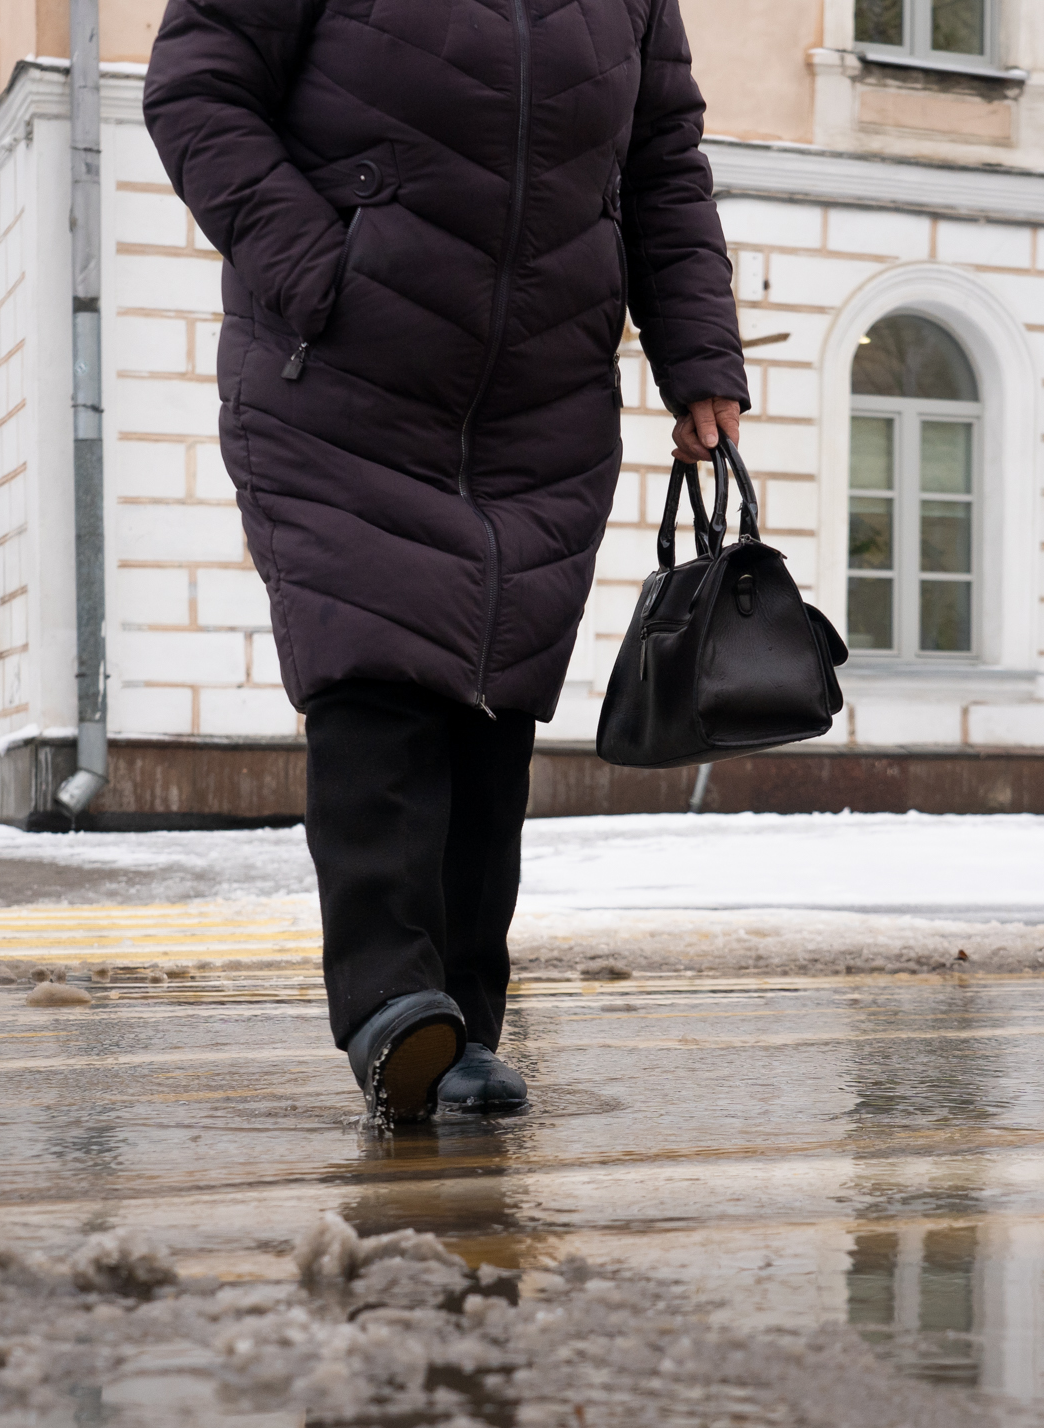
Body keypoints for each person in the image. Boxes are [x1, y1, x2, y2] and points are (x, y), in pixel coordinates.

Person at [143, 0, 747, 1123]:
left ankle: (460, 1028)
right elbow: (197, 91)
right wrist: (323, 273)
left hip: (542, 394)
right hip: (345, 381)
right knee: (370, 672)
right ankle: (389, 1002)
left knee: (491, 700)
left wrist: (696, 351)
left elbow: (662, 158)